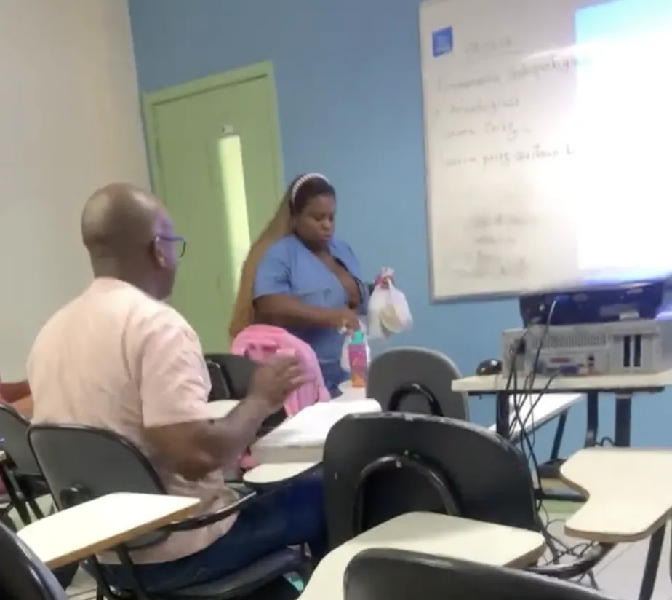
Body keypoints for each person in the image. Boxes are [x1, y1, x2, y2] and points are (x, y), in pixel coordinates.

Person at [27, 183, 327, 592]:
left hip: (106, 558)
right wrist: (260, 399)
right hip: (183, 550)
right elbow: (197, 456)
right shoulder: (156, 325)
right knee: (331, 490)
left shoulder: (49, 335)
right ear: (159, 249)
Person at [230, 173, 373, 397]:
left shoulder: (342, 250)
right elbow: (269, 303)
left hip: (350, 372)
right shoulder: (280, 255)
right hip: (307, 378)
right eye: (317, 218)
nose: (327, 225)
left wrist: (378, 290)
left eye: (331, 218)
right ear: (295, 218)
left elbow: (350, 297)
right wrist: (327, 316)